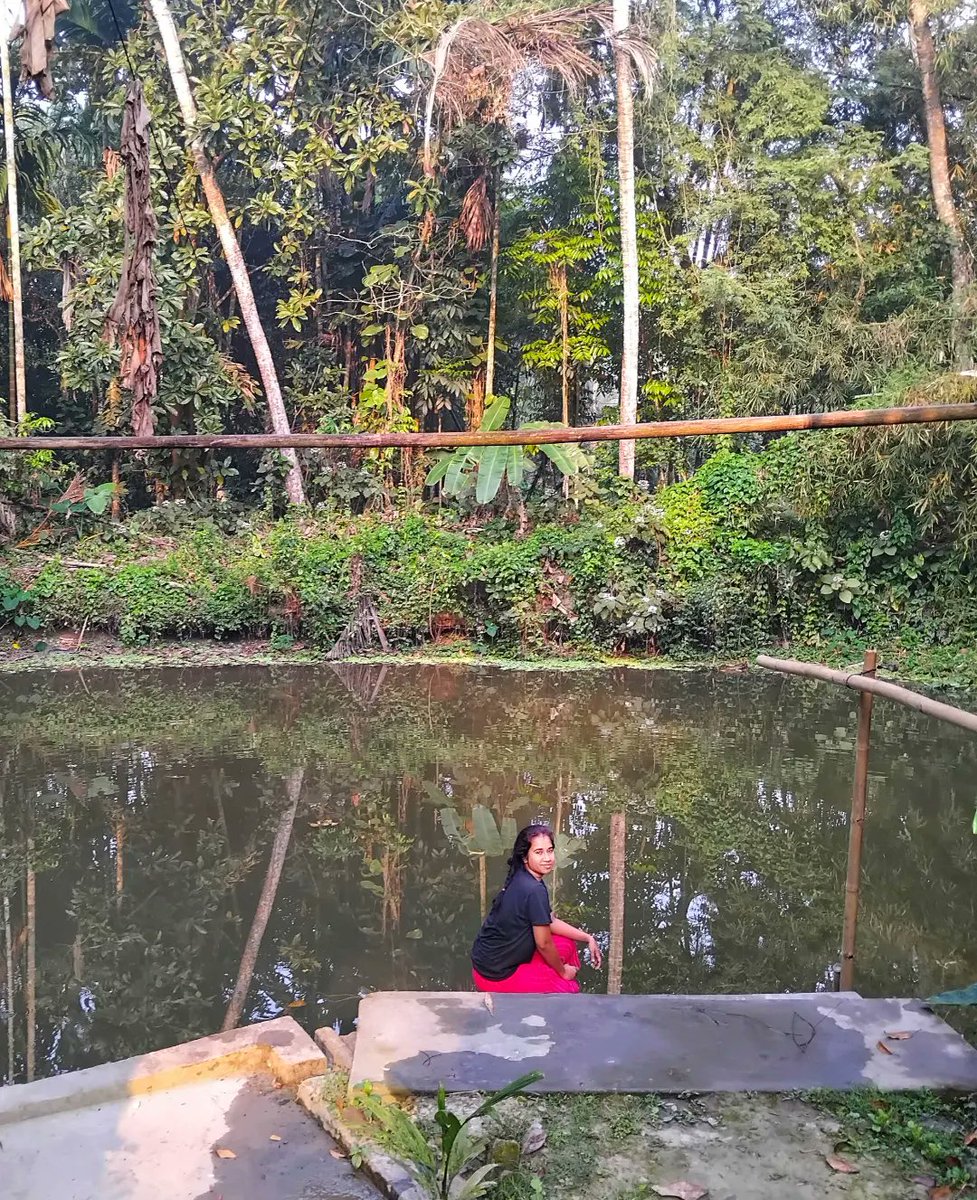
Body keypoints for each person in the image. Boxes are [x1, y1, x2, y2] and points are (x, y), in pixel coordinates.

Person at [471, 823, 602, 993]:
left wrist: (587, 938)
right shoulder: (533, 889)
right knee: (568, 988)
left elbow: (550, 921)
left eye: (550, 850)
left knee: (567, 943)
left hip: (487, 963)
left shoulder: (522, 876)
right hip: (497, 975)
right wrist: (563, 972)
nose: (547, 858)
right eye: (539, 852)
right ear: (525, 857)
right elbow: (543, 943)